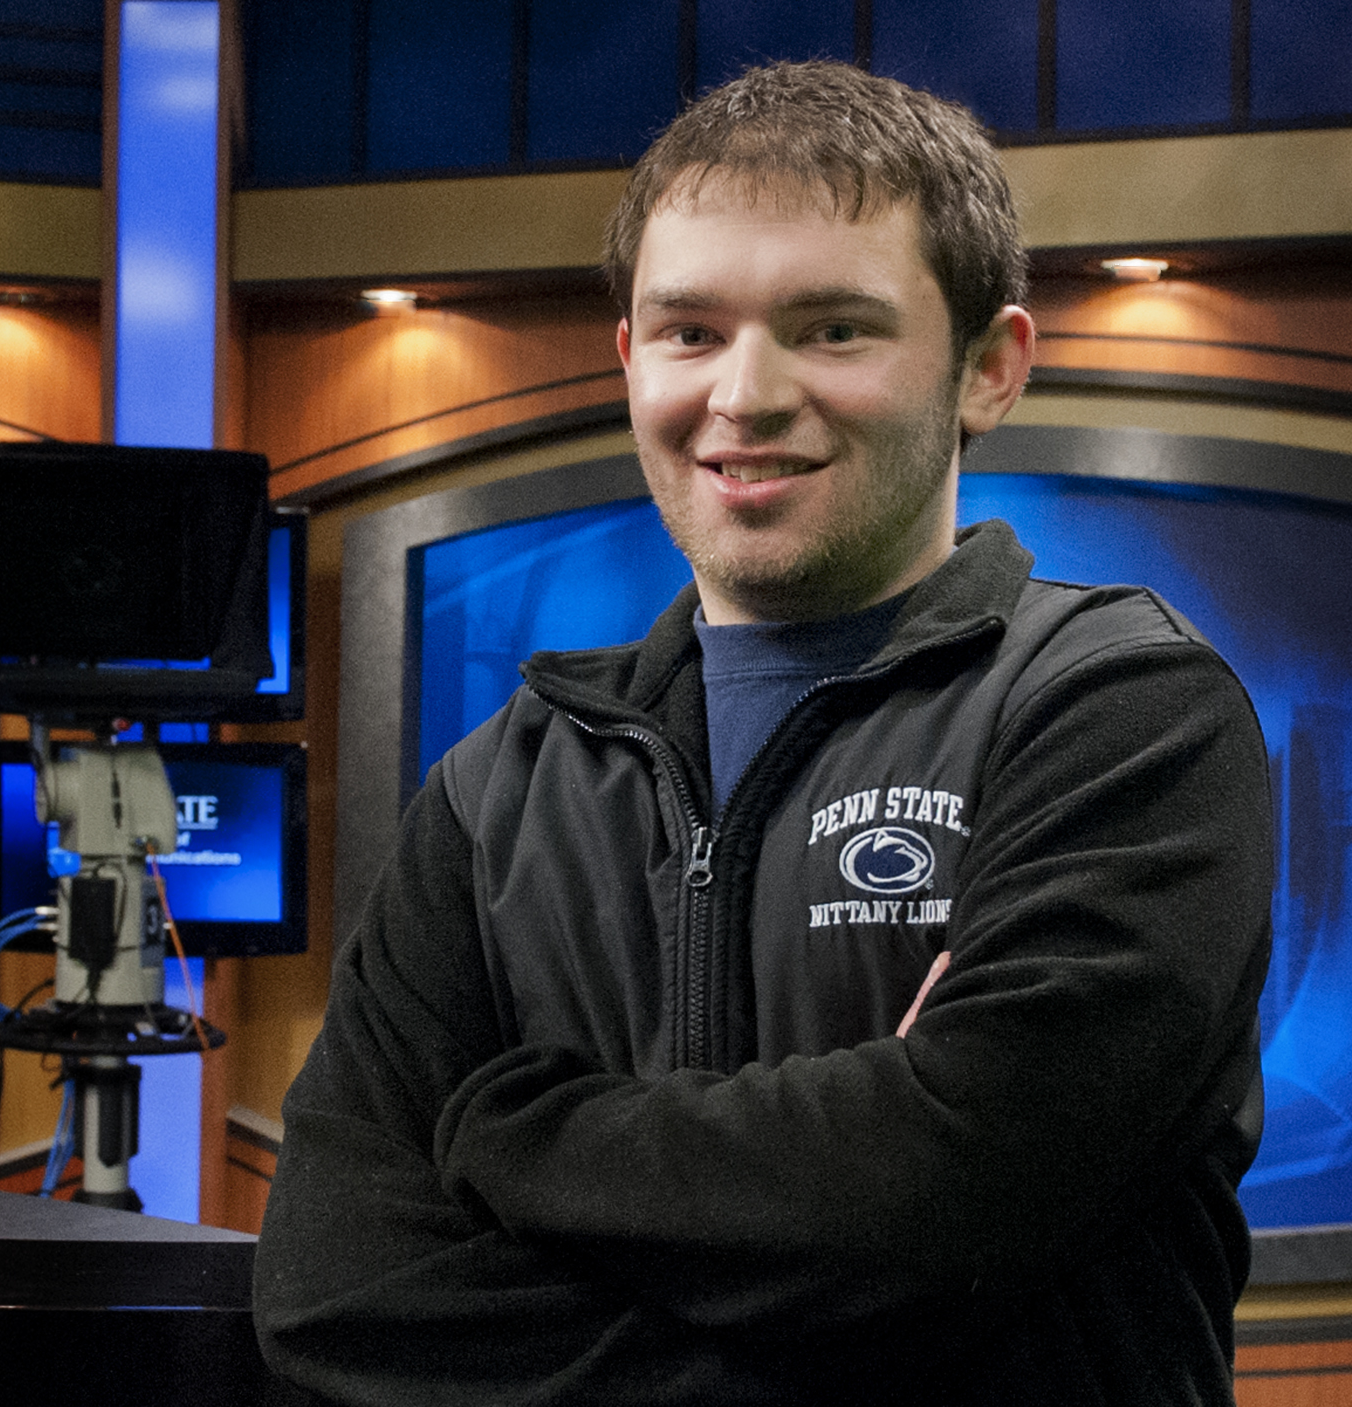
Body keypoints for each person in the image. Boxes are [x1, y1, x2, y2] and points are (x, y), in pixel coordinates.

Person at [254, 60, 1274, 1407]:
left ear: (989, 368)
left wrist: (509, 1131)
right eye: (689, 332)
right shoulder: (501, 786)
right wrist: (857, 1272)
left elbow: (946, 1202)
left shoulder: (1122, 713)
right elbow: (338, 1301)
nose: (745, 394)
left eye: (833, 330)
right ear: (629, 360)